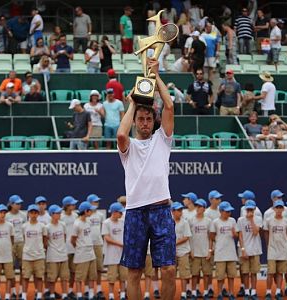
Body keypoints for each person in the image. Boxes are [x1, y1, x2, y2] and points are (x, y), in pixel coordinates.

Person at [117, 58, 176, 300]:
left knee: (170, 270)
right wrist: (133, 103)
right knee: (134, 272)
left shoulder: (163, 139)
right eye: (140, 119)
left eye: (148, 119)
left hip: (162, 210)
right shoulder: (128, 146)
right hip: (135, 212)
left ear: (154, 122)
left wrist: (156, 75)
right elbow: (121, 133)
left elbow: (169, 107)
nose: (144, 122)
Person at [210, 201, 238, 300]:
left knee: (231, 276)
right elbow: (212, 236)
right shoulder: (215, 222)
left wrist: (235, 234)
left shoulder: (233, 221)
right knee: (220, 276)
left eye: (230, 212)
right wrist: (215, 245)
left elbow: (236, 235)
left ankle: (231, 293)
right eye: (227, 211)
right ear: (221, 211)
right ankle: (220, 293)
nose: (229, 213)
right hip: (220, 253)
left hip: (231, 253)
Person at [263, 200, 287, 300]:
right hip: (272, 250)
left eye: (280, 207)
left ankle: (278, 291)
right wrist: (268, 244)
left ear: (283, 209)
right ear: (274, 209)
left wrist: (282, 242)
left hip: (283, 250)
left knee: (280, 272)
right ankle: (268, 292)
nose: (278, 209)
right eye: (277, 207)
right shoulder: (269, 220)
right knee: (271, 272)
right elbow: (265, 232)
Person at [236, 200, 263, 300]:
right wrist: (243, 250)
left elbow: (256, 232)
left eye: (251, 209)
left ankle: (254, 292)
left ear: (255, 209)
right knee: (245, 273)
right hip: (245, 250)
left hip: (255, 249)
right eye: (248, 209)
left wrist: (251, 220)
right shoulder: (240, 220)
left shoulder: (258, 219)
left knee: (254, 272)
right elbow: (240, 236)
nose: (249, 211)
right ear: (245, 209)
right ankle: (247, 292)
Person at [71, 201, 97, 300]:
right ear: (85, 211)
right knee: (79, 277)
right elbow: (72, 240)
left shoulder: (88, 221)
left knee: (91, 275)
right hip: (81, 253)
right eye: (90, 210)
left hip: (91, 252)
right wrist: (80, 247)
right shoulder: (77, 224)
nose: (92, 212)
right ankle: (79, 295)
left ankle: (90, 295)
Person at [21, 204, 47, 300]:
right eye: (31, 212)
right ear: (28, 214)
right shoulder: (24, 226)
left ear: (38, 214)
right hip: (27, 256)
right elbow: (24, 239)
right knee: (25, 277)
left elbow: (44, 240)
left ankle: (39, 295)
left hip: (39, 256)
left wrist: (41, 249)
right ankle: (24, 296)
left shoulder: (42, 226)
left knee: (39, 277)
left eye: (35, 213)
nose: (33, 215)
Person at [188, 199, 213, 299]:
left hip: (205, 252)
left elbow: (211, 238)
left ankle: (206, 292)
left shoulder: (208, 221)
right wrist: (191, 251)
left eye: (200, 206)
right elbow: (189, 237)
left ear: (204, 208)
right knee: (194, 274)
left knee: (206, 274)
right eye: (197, 206)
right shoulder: (191, 221)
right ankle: (194, 293)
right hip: (195, 253)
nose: (198, 208)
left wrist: (210, 251)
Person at [102, 203, 126, 300]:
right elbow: (107, 238)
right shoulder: (106, 223)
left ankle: (123, 295)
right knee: (111, 278)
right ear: (114, 212)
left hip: (122, 254)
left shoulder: (122, 222)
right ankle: (111, 295)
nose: (121, 214)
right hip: (111, 255)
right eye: (120, 212)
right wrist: (120, 244)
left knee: (123, 277)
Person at [0, 204, 15, 300]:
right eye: (1, 212)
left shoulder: (10, 226)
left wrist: (8, 248)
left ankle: (8, 296)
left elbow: (12, 239)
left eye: (4, 212)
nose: (2, 214)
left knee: (9, 277)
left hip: (7, 256)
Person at [45, 204, 69, 300]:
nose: (59, 214)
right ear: (51, 214)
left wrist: (62, 249)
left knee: (64, 277)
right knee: (52, 278)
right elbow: (45, 242)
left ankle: (64, 295)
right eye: (57, 213)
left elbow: (64, 237)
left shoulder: (62, 224)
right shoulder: (47, 227)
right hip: (52, 255)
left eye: (60, 212)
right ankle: (51, 295)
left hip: (63, 255)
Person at [5, 195, 26, 298]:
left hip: (21, 243)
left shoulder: (23, 215)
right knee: (11, 268)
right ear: (11, 204)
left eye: (20, 203)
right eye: (17, 203)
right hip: (10, 244)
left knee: (23, 268)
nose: (19, 205)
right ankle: (13, 291)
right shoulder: (6, 216)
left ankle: (22, 291)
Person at [86, 194, 106, 299]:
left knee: (98, 268)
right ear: (89, 203)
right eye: (94, 202)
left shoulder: (100, 215)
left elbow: (102, 230)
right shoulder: (85, 215)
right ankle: (87, 291)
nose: (96, 203)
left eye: (97, 201)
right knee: (87, 269)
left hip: (98, 244)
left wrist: (101, 242)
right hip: (87, 245)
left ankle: (98, 289)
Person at [171, 202, 192, 300]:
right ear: (173, 211)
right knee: (171, 275)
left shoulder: (185, 222)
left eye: (181, 210)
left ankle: (183, 293)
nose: (180, 212)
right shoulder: (168, 222)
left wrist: (174, 243)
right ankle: (171, 294)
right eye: (178, 210)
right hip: (171, 253)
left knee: (184, 274)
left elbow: (186, 237)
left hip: (183, 252)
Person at [60, 196, 78, 299]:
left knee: (73, 271)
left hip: (74, 248)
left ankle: (71, 290)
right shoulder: (61, 216)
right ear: (67, 206)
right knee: (64, 273)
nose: (74, 205)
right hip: (64, 248)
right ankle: (65, 292)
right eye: (72, 204)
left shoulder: (75, 215)